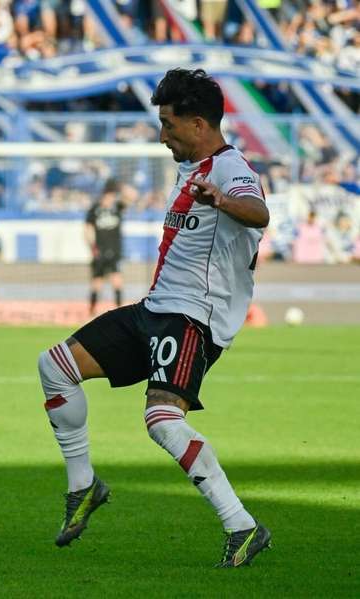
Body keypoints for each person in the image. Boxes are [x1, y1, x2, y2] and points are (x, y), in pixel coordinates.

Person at [36, 69, 271, 568]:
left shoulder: (230, 169)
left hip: (193, 318)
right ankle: (84, 487)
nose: (162, 135)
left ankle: (242, 526)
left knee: (163, 420)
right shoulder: (192, 167)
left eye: (168, 124)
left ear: (200, 123)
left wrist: (223, 200)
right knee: (55, 365)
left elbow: (257, 212)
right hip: (155, 309)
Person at [84, 178, 125, 315]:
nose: (110, 199)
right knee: (97, 282)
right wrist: (92, 246)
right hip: (100, 252)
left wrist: (122, 187)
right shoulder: (95, 210)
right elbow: (87, 228)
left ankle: (119, 311)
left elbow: (133, 196)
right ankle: (92, 310)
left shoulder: (117, 207)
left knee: (117, 281)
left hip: (114, 251)